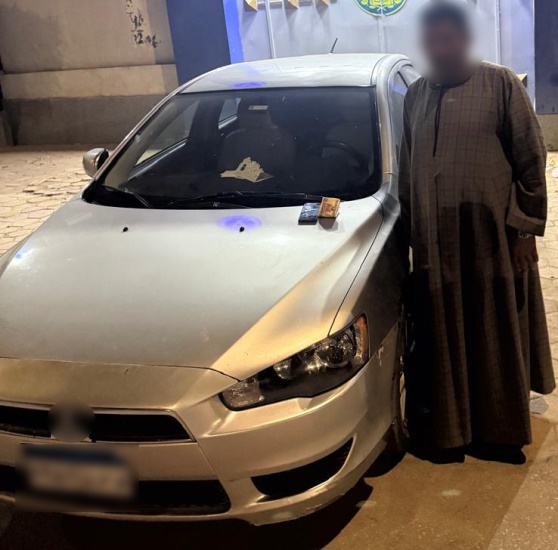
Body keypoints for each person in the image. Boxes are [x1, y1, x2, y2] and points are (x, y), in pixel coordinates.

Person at [399, 0, 556, 463]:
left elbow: (531, 159)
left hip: (491, 241)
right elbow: (407, 169)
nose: (439, 49)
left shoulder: (500, 83)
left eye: (447, 39)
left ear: (465, 40)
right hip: (435, 245)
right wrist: (409, 235)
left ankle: (501, 433)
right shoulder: (416, 96)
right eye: (431, 41)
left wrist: (524, 231)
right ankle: (453, 432)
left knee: (493, 331)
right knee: (446, 335)